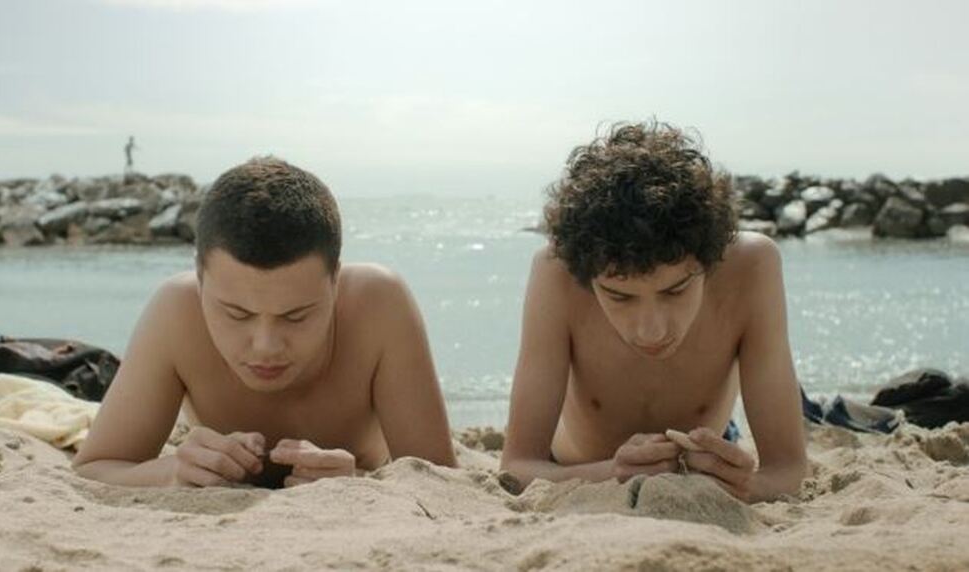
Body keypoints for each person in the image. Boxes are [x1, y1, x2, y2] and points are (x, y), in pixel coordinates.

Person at [73, 157, 457, 488]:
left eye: (296, 315)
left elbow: (441, 481)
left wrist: (355, 483)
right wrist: (172, 472)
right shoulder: (176, 311)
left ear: (335, 281)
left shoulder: (378, 305)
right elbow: (95, 468)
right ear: (200, 279)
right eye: (237, 314)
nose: (266, 346)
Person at [500, 121, 807, 502]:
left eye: (676, 290)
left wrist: (748, 485)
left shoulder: (752, 265)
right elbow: (518, 467)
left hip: (705, 453)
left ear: (711, 261)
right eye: (618, 296)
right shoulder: (557, 271)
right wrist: (612, 472)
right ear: (588, 278)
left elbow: (789, 471)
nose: (651, 331)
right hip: (569, 463)